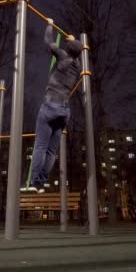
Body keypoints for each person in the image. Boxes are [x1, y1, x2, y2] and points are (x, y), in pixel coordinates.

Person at [21, 19, 84, 193]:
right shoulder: (77, 65)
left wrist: (49, 25)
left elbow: (48, 42)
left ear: (67, 49)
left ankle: (34, 183)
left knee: (40, 146)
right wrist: (72, 40)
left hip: (50, 106)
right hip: (64, 111)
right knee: (51, 151)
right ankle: (40, 184)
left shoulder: (62, 56)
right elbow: (77, 50)